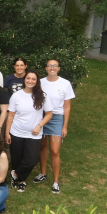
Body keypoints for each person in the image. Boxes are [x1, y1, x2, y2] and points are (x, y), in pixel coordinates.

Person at [5, 70, 53, 193]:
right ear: (24, 80)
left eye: (33, 79)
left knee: (32, 160)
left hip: (34, 134)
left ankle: (15, 174)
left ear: (37, 81)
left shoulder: (42, 96)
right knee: (17, 158)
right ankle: (21, 181)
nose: (30, 81)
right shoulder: (16, 95)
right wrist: (7, 133)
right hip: (16, 132)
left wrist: (39, 125)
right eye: (28, 78)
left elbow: (49, 114)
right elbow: (10, 116)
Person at [36, 59, 76, 193]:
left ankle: (56, 181)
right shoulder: (40, 82)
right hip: (41, 116)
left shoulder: (65, 83)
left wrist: (65, 126)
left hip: (57, 118)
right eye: (49, 65)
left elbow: (67, 106)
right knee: (42, 147)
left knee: (54, 150)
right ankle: (43, 173)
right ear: (46, 68)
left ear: (58, 68)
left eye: (54, 66)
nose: (52, 68)